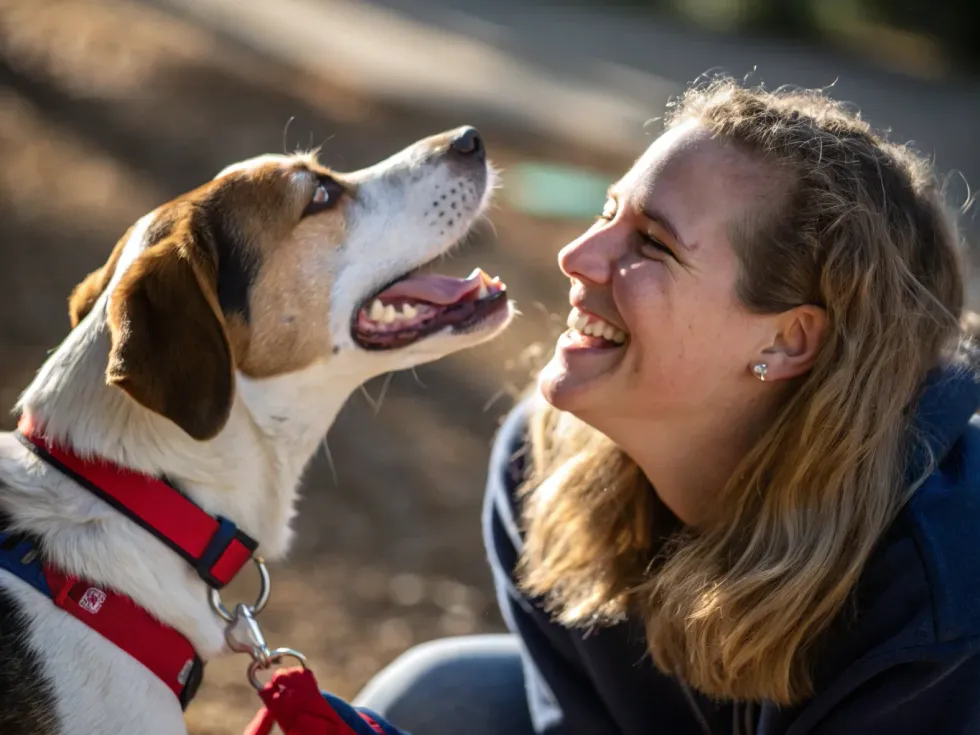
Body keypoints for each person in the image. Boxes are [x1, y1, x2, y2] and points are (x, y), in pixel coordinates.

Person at [342, 77, 980, 734]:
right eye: (608, 212)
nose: (577, 256)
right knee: (443, 696)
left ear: (789, 339)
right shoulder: (540, 465)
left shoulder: (938, 590)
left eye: (653, 244)